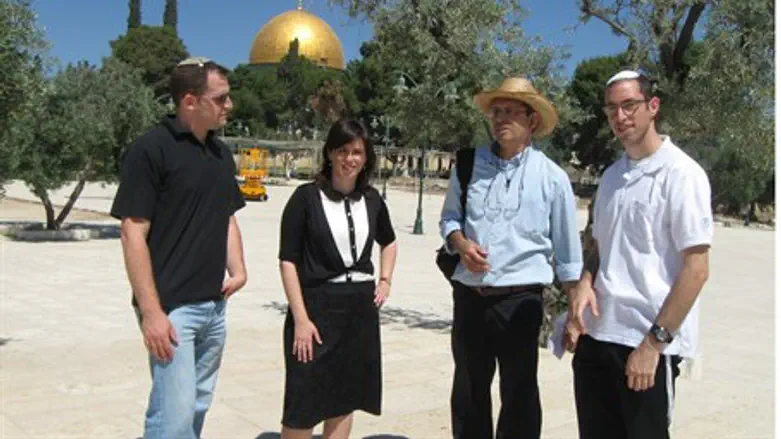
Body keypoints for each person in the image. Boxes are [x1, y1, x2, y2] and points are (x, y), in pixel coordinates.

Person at [565, 70, 712, 439]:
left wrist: (652, 345)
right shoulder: (613, 176)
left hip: (645, 345)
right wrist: (585, 283)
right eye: (612, 108)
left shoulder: (682, 175)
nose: (621, 116)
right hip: (598, 339)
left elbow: (696, 270)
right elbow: (600, 245)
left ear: (653, 107)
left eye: (630, 105)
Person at [111, 56, 247, 439]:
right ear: (190, 101)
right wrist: (151, 312)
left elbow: (227, 216)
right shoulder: (151, 150)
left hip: (213, 308)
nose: (229, 106)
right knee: (173, 417)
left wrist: (239, 269)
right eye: (221, 99)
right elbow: (132, 231)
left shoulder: (220, 154)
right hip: (172, 312)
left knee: (196, 407)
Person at [439, 77, 583, 439]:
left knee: (519, 391)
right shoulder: (469, 164)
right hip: (471, 295)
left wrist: (575, 314)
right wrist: (460, 243)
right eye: (496, 111)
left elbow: (568, 254)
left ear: (532, 121)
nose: (501, 119)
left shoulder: (552, 178)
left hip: (520, 301)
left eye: (510, 112)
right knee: (469, 389)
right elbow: (449, 219)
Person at [278, 118, 398, 439]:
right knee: (303, 401)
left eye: (357, 152)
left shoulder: (372, 200)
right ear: (330, 153)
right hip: (316, 310)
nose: (350, 159)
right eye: (343, 150)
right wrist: (301, 319)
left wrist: (385, 280)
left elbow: (389, 241)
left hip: (358, 312)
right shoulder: (305, 199)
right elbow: (288, 261)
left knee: (345, 398)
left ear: (366, 157)